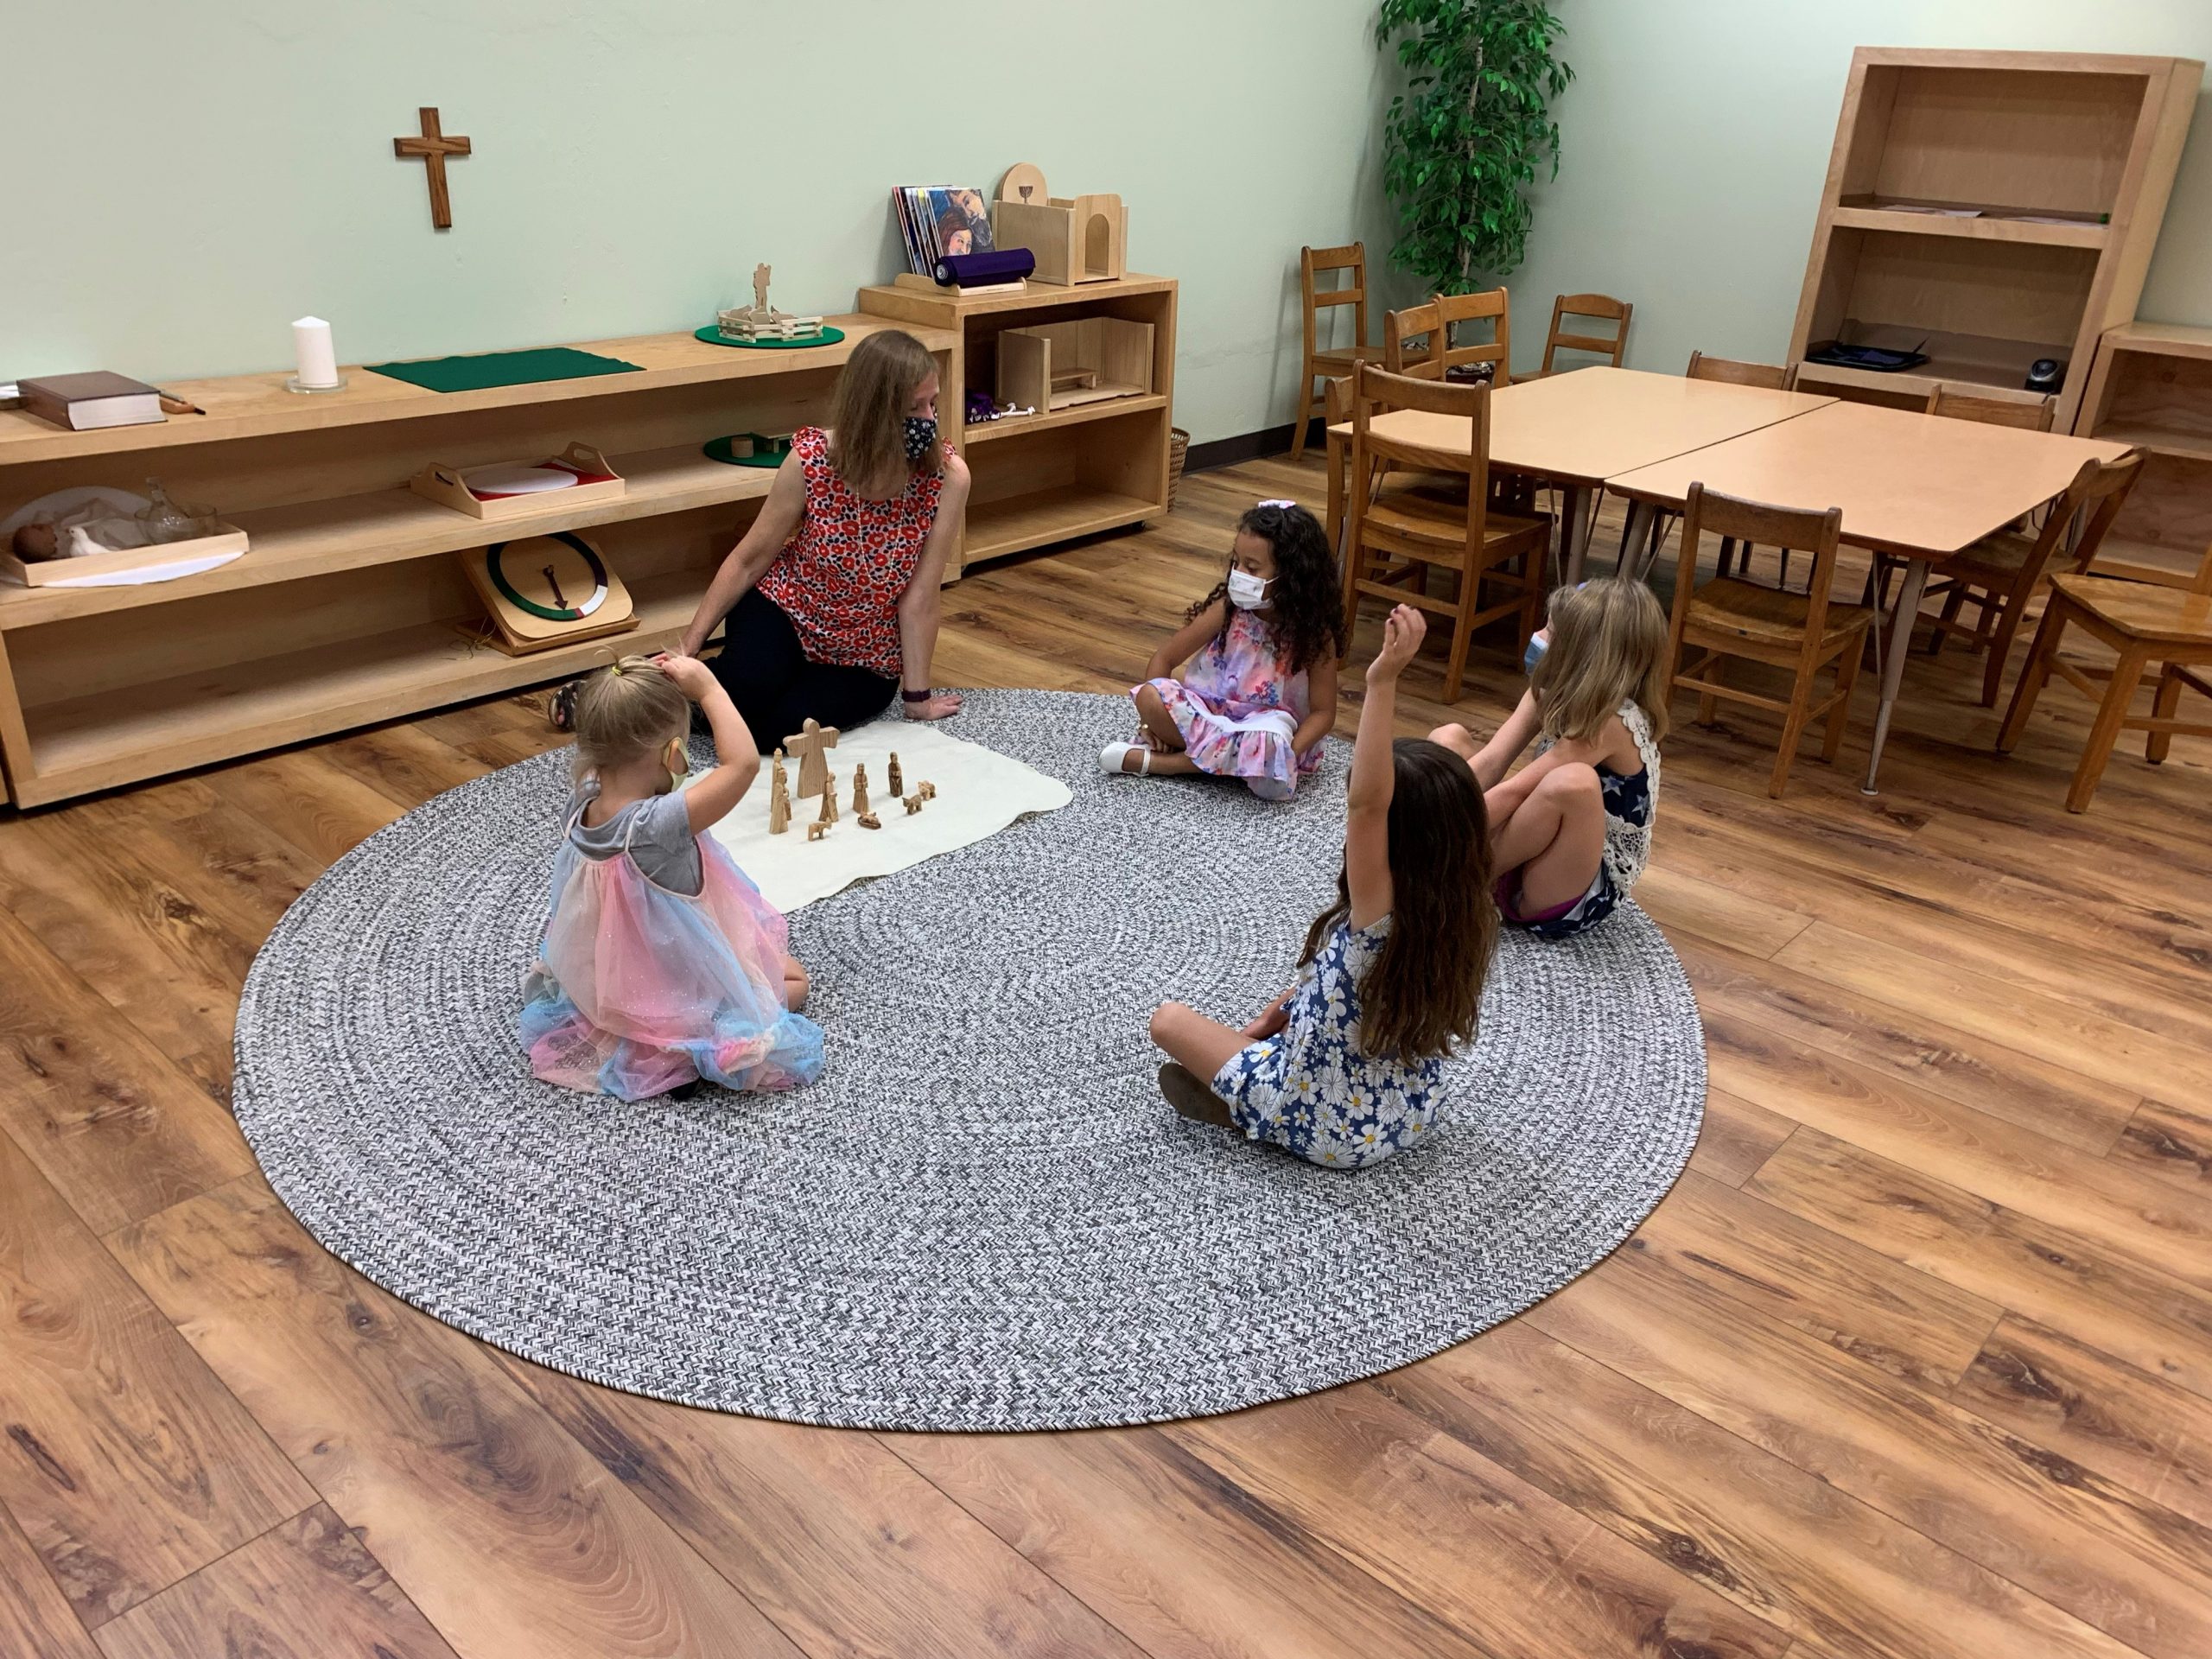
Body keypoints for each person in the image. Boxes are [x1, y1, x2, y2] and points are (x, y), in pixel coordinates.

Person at [1147, 607, 1497, 1169]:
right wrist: (1264, 1024)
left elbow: (1367, 806)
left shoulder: (1377, 914)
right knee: (1296, 1006)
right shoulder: (1463, 908)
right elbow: (1446, 795)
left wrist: (1383, 680)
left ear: (1393, 838)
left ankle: (1254, 1109)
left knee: (1167, 1020)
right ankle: (1253, 1076)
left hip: (1327, 1126)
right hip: (1407, 1110)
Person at [520, 653, 823, 1100]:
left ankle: (647, 1032)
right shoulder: (658, 823)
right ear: (674, 754)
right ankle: (706, 1046)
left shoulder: (582, 798)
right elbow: (740, 765)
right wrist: (709, 689)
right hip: (675, 967)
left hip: (609, 972)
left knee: (638, 1008)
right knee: (793, 979)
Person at [674, 328, 969, 750]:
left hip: (865, 657)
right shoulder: (812, 459)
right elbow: (749, 560)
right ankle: (649, 691)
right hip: (786, 610)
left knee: (772, 732)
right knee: (745, 692)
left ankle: (704, 696)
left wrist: (917, 699)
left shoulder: (948, 478)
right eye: (914, 408)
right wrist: (687, 647)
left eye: (932, 403)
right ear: (873, 412)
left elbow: (921, 596)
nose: (928, 420)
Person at [1432, 577, 1668, 941]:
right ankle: (1454, 867)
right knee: (1448, 741)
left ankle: (1455, 878)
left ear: (1586, 655)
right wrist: (1424, 813)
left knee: (1571, 783)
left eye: (1551, 633)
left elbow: (1515, 791)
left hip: (1568, 890)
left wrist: (1433, 838)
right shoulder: (1550, 689)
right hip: (1529, 846)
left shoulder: (1614, 721)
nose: (1538, 636)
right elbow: (1495, 760)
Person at [1102, 499, 1344, 799]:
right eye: (1236, 562)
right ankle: (1237, 766)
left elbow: (1323, 714)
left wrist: (1287, 754)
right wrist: (1148, 722)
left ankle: (1168, 765)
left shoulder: (1315, 633)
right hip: (1210, 714)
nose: (1239, 573)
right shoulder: (1228, 609)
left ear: (1292, 577)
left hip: (1266, 727)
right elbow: (1164, 658)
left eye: (1252, 568)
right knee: (1150, 695)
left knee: (1270, 746)